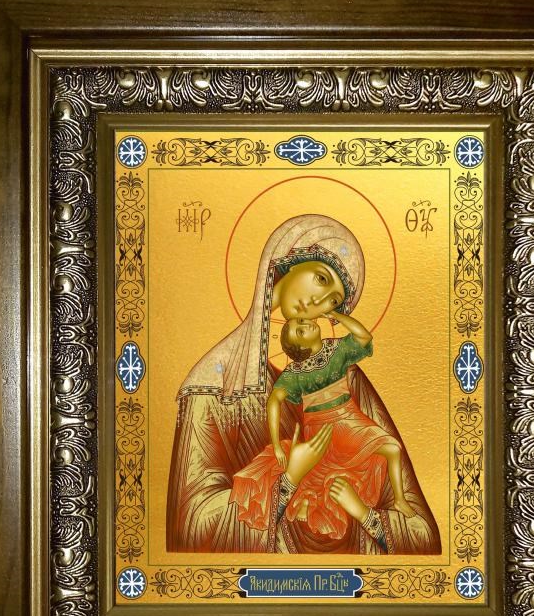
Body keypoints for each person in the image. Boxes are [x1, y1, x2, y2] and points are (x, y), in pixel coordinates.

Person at [167, 214, 441, 555]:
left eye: (333, 301)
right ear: (288, 259)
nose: (317, 303)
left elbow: (421, 533)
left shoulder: (344, 374)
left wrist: (365, 516)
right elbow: (191, 529)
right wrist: (288, 480)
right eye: (321, 278)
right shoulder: (214, 383)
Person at [230, 313, 417, 548]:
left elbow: (364, 337)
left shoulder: (335, 350)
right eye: (300, 330)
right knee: (383, 451)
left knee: (392, 449)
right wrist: (276, 445)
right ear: (300, 348)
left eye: (301, 321)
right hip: (324, 426)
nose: (305, 323)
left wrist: (338, 316)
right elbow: (274, 401)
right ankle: (315, 501)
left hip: (350, 418)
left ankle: (399, 500)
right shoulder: (295, 372)